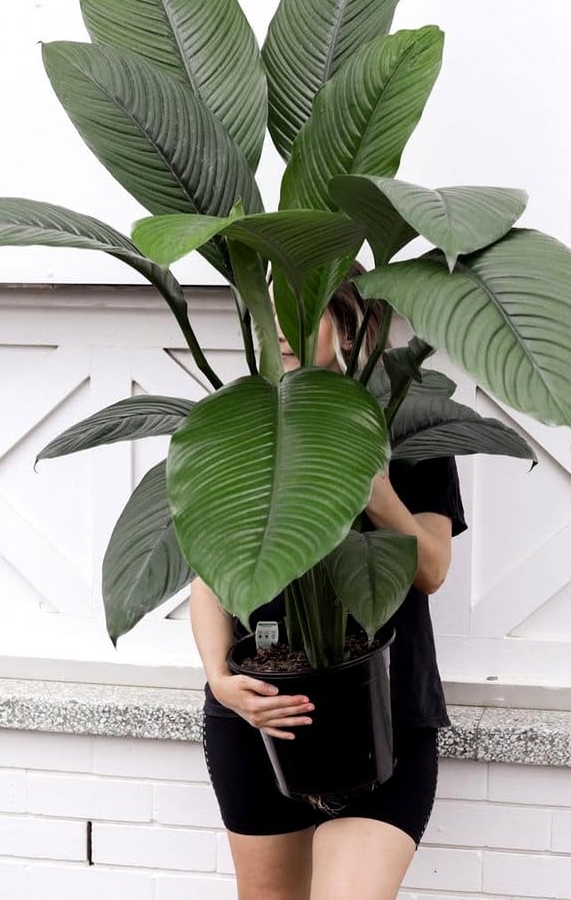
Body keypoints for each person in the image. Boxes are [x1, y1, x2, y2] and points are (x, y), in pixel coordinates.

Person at [189, 263, 466, 900]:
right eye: (266, 313)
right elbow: (209, 574)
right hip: (261, 715)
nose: (280, 330)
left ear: (350, 325)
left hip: (381, 717)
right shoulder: (234, 422)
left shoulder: (409, 415)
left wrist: (370, 481)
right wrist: (220, 680)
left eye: (302, 307)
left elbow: (431, 570)